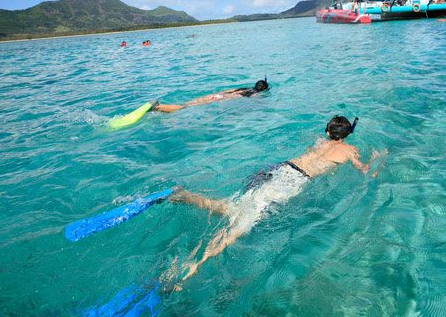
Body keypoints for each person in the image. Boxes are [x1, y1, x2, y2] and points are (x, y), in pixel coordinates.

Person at [161, 116, 385, 291]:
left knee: (236, 207)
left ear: (327, 132)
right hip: (293, 182)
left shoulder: (319, 142)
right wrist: (377, 158)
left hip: (280, 168)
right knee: (239, 226)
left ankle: (187, 197)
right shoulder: (349, 150)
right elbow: (364, 171)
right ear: (347, 134)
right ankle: (190, 271)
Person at [151, 79, 269, 113]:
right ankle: (159, 107)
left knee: (188, 104)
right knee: (185, 107)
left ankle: (160, 108)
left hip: (217, 95)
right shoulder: (254, 94)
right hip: (221, 99)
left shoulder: (244, 88)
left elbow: (228, 90)